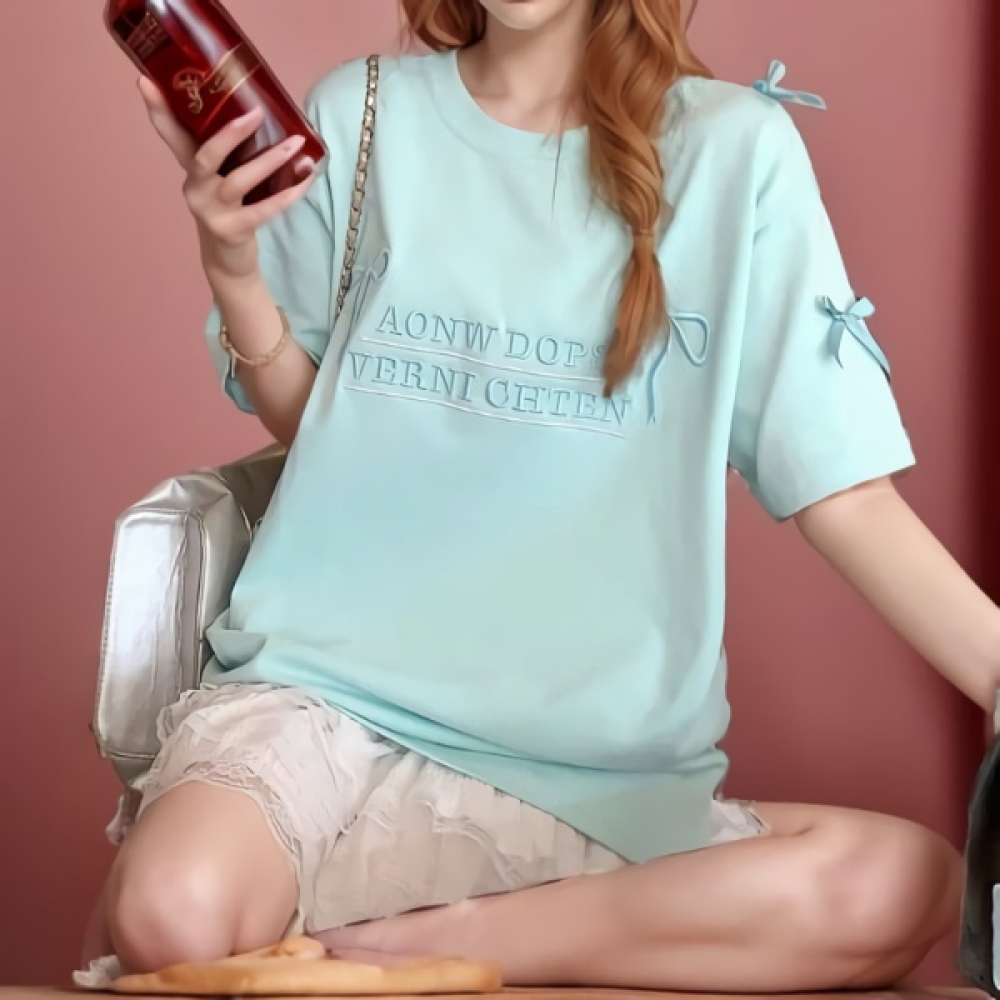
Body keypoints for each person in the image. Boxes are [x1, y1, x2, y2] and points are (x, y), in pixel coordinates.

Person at [88, 0, 992, 990]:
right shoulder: (361, 113)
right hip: (328, 703)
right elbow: (325, 426)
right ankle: (470, 936)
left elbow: (844, 493)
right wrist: (231, 264)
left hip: (588, 767)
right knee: (170, 914)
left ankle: (420, 943)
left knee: (905, 885)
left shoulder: (735, 151)